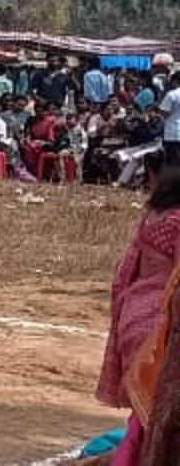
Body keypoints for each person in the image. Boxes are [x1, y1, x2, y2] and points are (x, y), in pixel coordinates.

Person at [97, 161, 180, 456]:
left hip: (134, 313)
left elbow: (129, 267)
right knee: (158, 418)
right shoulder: (178, 223)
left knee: (143, 415)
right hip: (162, 324)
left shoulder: (153, 216)